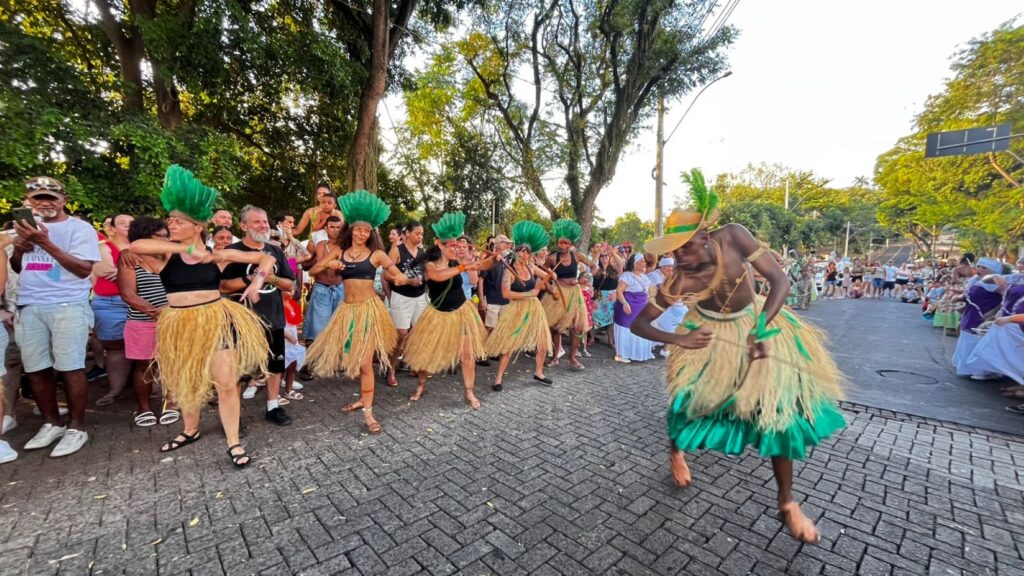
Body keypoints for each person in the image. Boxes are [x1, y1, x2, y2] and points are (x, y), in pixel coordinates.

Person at [630, 168, 844, 543]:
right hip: (707, 335)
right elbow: (639, 324)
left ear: (705, 236)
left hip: (758, 320)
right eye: (673, 251)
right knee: (686, 403)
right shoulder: (679, 280)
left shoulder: (733, 235)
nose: (679, 257)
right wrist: (679, 339)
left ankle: (787, 503)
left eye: (685, 247)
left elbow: (779, 281)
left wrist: (761, 328)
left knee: (779, 412)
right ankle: (676, 450)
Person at [130, 165, 274, 467]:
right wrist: (185, 248)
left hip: (215, 321)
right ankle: (190, 429)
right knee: (188, 380)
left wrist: (257, 282)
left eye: (178, 221)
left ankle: (233, 441)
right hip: (180, 324)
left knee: (226, 383)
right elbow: (136, 245)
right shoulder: (166, 253)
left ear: (197, 226)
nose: (171, 224)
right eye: (170, 220)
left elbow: (266, 257)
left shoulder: (216, 255)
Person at [305, 190, 416, 434]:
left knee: (365, 364)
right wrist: (330, 263)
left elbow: (394, 272)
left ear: (370, 233)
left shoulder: (377, 254)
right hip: (347, 312)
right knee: (353, 360)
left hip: (369, 312)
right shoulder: (339, 251)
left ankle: (368, 412)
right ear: (351, 230)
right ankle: (363, 399)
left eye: (366, 231)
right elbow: (313, 271)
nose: (362, 233)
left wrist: (402, 279)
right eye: (358, 229)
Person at [12, 176, 101, 458]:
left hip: (68, 304)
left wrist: (45, 242)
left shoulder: (80, 228)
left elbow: (83, 269)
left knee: (71, 366)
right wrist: (21, 247)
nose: (44, 203)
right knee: (36, 368)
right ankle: (51, 423)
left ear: (63, 200)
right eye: (37, 198)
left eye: (50, 198)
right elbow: (18, 267)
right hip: (29, 304)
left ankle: (76, 427)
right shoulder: (24, 228)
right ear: (28, 202)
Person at [405, 212, 496, 409]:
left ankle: (469, 392)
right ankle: (421, 385)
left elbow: (483, 265)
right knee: (427, 354)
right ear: (440, 245)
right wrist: (464, 266)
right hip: (437, 315)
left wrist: (494, 258)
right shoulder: (430, 265)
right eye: (452, 245)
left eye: (457, 245)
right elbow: (438, 276)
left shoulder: (458, 262)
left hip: (461, 312)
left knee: (467, 355)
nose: (456, 249)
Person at [221, 205, 295, 426]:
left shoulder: (275, 251)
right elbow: (223, 286)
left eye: (265, 222)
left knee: (275, 365)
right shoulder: (232, 251)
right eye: (257, 222)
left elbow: (289, 284)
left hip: (273, 318)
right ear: (243, 226)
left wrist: (272, 279)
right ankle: (234, 416)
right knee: (238, 370)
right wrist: (251, 279)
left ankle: (273, 407)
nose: (263, 226)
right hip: (241, 322)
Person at [117, 216, 178, 427]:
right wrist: (157, 314)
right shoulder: (130, 258)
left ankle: (170, 403)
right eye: (159, 236)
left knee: (172, 363)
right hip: (142, 322)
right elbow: (128, 294)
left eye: (166, 236)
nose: (165, 240)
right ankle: (143, 407)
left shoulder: (171, 255)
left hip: (175, 321)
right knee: (145, 366)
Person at [484, 221, 553, 391]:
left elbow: (547, 276)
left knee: (543, 343)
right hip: (515, 309)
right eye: (521, 251)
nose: (524, 255)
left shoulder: (531, 267)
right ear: (515, 253)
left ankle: (539, 372)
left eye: (527, 252)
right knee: (509, 346)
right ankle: (498, 379)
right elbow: (506, 293)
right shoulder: (509, 270)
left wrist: (549, 276)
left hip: (534, 309)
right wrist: (529, 294)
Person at [88, 213, 134, 406]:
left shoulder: (143, 247)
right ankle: (115, 389)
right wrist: (138, 272)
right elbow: (105, 271)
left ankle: (148, 388)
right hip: (110, 303)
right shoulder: (103, 247)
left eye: (131, 223)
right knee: (115, 348)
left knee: (149, 346)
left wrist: (122, 272)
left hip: (141, 301)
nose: (128, 226)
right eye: (122, 223)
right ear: (112, 228)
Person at [542, 219, 595, 370]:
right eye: (560, 243)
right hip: (558, 293)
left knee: (577, 327)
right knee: (555, 327)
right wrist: (550, 288)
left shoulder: (577, 256)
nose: (562, 245)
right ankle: (555, 357)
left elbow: (594, 267)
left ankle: (572, 358)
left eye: (565, 243)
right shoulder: (552, 258)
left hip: (574, 293)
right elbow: (542, 275)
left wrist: (584, 279)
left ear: (571, 244)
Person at [385, 221, 428, 386]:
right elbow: (386, 275)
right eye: (417, 233)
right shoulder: (397, 250)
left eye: (422, 234)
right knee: (401, 334)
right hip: (401, 296)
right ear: (408, 233)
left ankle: (413, 363)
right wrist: (408, 281)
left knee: (418, 333)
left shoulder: (422, 252)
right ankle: (391, 367)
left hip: (420, 297)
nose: (420, 236)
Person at [951, 257, 1004, 377]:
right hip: (971, 314)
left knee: (976, 341)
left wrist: (993, 313)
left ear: (993, 271)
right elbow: (967, 295)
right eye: (978, 266)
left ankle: (979, 371)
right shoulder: (975, 280)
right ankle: (965, 367)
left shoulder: (995, 282)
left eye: (984, 268)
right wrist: (958, 299)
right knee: (967, 340)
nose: (979, 269)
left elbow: (1006, 298)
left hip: (983, 316)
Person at [302, 215, 345, 346]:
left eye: (338, 227)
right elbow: (303, 263)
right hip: (321, 288)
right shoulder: (319, 245)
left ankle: (334, 354)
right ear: (326, 228)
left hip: (340, 288)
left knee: (339, 326)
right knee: (318, 329)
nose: (335, 230)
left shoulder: (346, 247)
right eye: (332, 227)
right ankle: (316, 354)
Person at [613, 253, 656, 363]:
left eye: (644, 261)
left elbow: (647, 293)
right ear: (634, 264)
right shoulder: (627, 276)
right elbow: (619, 291)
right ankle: (621, 354)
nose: (644, 263)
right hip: (628, 307)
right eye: (641, 261)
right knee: (626, 329)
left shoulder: (644, 277)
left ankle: (643, 352)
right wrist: (624, 304)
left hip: (640, 308)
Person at [479, 234, 513, 336]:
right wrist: (482, 300)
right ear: (500, 245)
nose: (509, 246)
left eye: (509, 244)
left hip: (505, 301)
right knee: (490, 327)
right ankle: (485, 345)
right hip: (492, 300)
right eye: (506, 243)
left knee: (503, 328)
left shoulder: (508, 259)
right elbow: (481, 280)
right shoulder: (489, 259)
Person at [592, 248, 622, 348]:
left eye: (606, 256)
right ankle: (592, 338)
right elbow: (593, 264)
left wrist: (612, 253)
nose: (604, 258)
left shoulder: (614, 269)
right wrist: (598, 252)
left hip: (611, 298)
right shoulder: (596, 269)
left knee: (610, 319)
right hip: (599, 296)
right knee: (595, 317)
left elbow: (621, 263)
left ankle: (610, 341)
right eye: (602, 256)